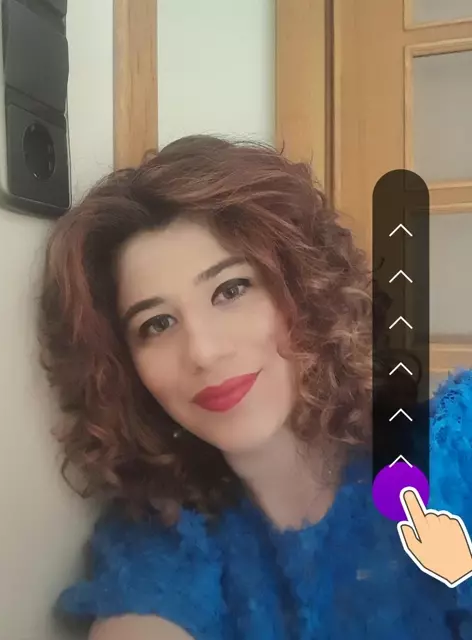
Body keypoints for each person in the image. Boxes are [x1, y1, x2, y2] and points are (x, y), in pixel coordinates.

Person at [38, 135, 472, 639]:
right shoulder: (162, 539)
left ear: (306, 290)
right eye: (157, 324)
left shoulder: (450, 453)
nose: (203, 351)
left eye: (231, 290)